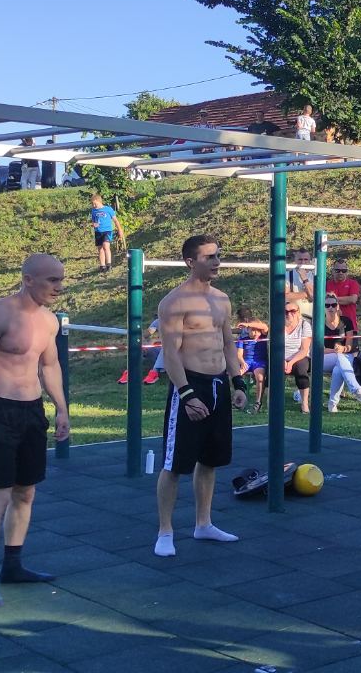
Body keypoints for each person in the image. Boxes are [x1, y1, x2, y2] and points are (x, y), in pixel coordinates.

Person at [0, 253, 71, 608]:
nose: (58, 287)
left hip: (32, 412)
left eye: (61, 279)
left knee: (25, 493)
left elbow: (49, 366)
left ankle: (14, 565)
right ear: (28, 279)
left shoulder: (49, 321)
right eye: (52, 280)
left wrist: (62, 408)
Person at [153, 234, 249, 558]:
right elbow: (171, 354)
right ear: (190, 262)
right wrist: (187, 394)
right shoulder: (173, 303)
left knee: (210, 461)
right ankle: (165, 530)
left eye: (218, 255)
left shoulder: (222, 299)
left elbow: (227, 345)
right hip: (189, 385)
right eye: (209, 257)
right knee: (174, 464)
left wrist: (238, 383)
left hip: (219, 384)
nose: (217, 262)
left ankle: (203, 523)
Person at [320, 298, 361, 412]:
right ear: (323, 307)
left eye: (333, 305)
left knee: (337, 370)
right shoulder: (319, 323)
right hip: (323, 358)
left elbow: (349, 346)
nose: (330, 308)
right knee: (339, 357)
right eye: (327, 305)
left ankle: (332, 404)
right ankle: (356, 390)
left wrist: (343, 348)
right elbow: (319, 349)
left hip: (344, 356)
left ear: (338, 306)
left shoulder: (346, 321)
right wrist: (335, 351)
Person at [235, 320, 268, 413]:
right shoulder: (243, 339)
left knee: (260, 377)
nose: (255, 333)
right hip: (247, 362)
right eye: (253, 330)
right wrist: (242, 362)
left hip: (259, 362)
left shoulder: (263, 336)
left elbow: (265, 326)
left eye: (258, 330)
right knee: (236, 375)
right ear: (248, 330)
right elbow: (239, 355)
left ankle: (258, 402)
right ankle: (239, 399)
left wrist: (247, 324)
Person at [118, 317, 164, 385]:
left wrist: (156, 341)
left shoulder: (179, 322)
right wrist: (143, 343)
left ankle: (154, 373)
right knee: (139, 346)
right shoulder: (158, 322)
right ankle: (130, 372)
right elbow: (146, 334)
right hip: (158, 350)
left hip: (172, 352)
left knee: (166, 347)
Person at [89, 193, 127, 274]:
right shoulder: (93, 211)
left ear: (99, 201)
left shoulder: (108, 209)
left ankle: (109, 264)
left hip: (107, 231)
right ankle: (102, 266)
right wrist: (94, 224)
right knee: (100, 249)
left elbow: (115, 220)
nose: (93, 205)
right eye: (92, 204)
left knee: (106, 246)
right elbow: (93, 221)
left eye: (94, 203)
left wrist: (120, 230)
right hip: (98, 231)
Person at [325, 258, 361, 325]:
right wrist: (344, 299)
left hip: (349, 324)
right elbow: (321, 300)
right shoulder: (326, 284)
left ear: (347, 272)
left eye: (343, 270)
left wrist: (330, 299)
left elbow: (353, 299)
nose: (341, 273)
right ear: (332, 271)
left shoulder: (353, 283)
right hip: (331, 324)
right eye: (337, 270)